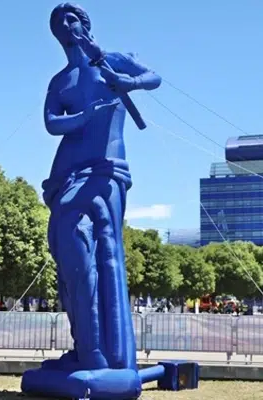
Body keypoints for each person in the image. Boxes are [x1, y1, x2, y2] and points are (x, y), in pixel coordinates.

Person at [39, 2, 160, 373]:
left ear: (86, 25)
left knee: (85, 241)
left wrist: (130, 82)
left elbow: (153, 76)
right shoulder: (60, 81)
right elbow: (50, 123)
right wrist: (84, 116)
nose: (66, 24)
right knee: (65, 249)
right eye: (59, 21)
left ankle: (102, 353)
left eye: (72, 18)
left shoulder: (111, 60)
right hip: (66, 170)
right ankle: (85, 346)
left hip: (105, 168)